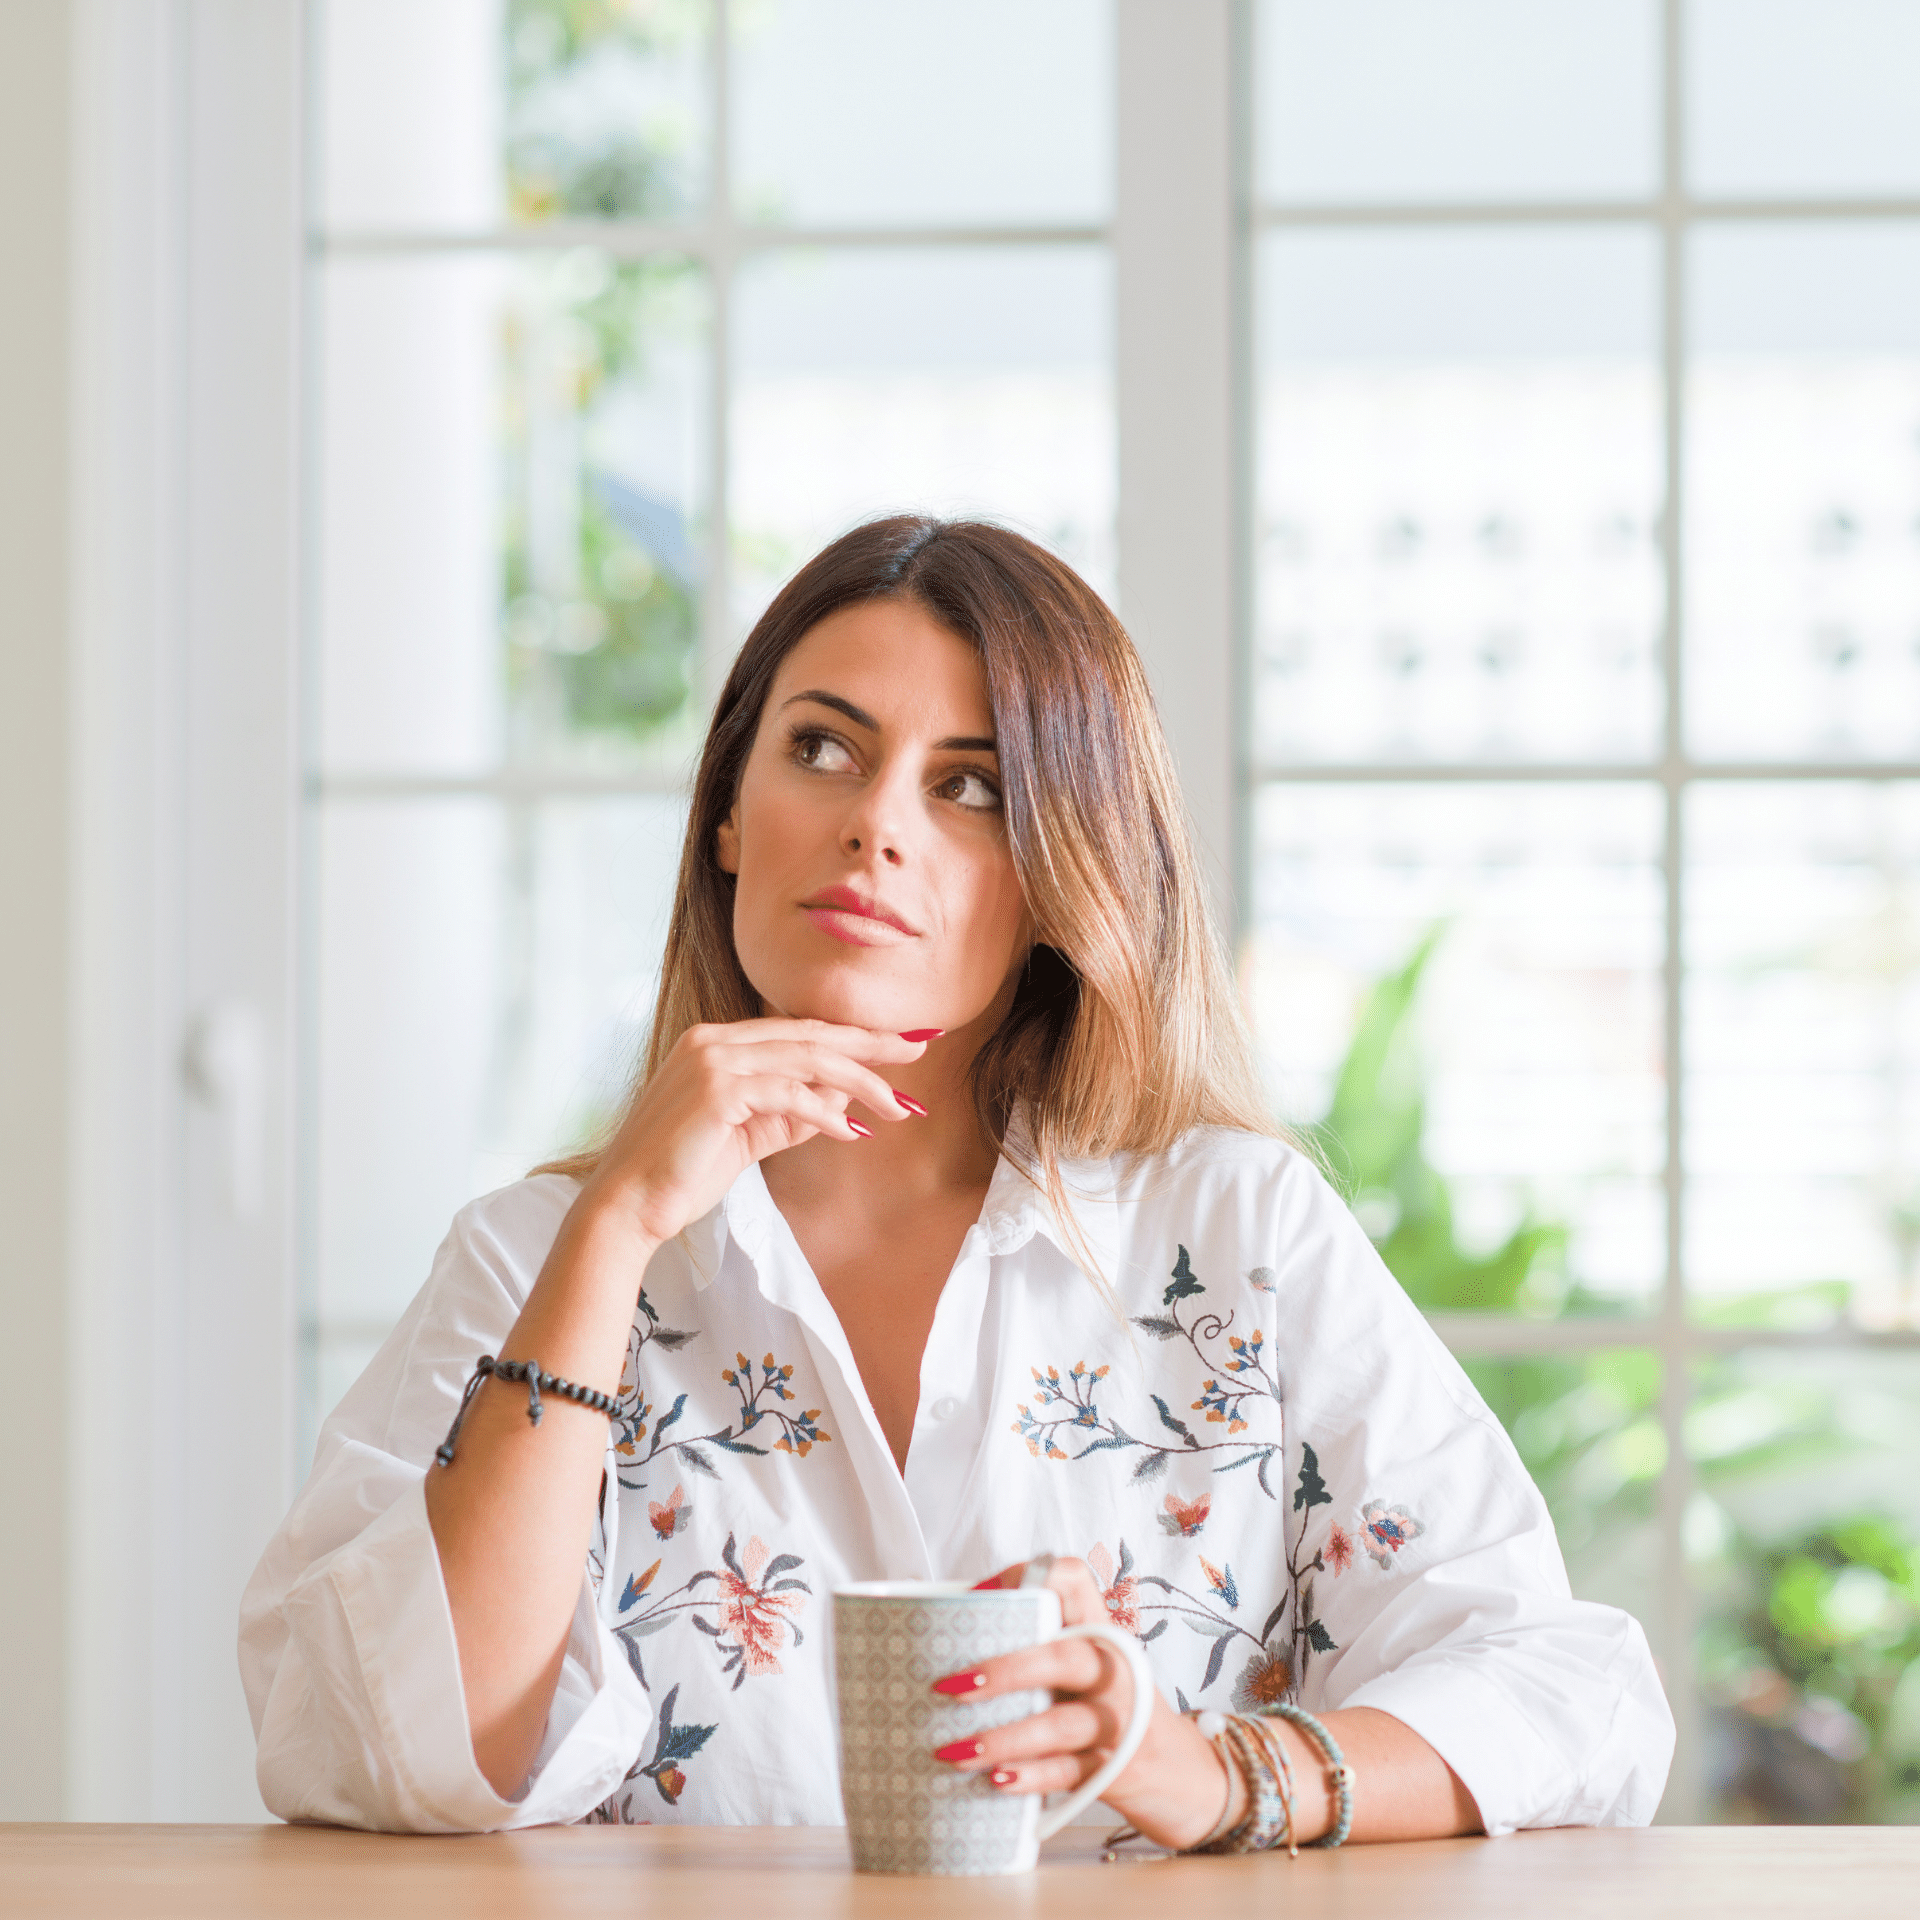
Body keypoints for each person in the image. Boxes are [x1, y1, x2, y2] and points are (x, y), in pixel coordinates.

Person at [239, 516, 1674, 1843]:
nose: (878, 826)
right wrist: (618, 1220)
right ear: (727, 817)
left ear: (1058, 880)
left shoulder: (1238, 1234)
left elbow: (1572, 1692)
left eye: (971, 786)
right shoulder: (535, 1256)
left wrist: (1203, 1768)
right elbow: (389, 1756)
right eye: (821, 749)